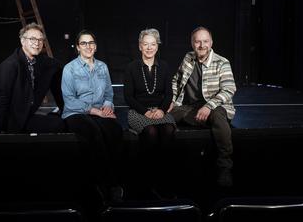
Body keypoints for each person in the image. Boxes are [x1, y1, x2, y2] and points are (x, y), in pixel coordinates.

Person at [61, 30, 124, 202]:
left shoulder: (103, 67)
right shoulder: (70, 68)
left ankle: (115, 180)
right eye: (84, 43)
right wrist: (96, 111)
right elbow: (69, 100)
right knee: (94, 133)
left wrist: (108, 107)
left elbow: (109, 94)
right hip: (76, 113)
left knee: (115, 131)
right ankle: (104, 184)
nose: (88, 46)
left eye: (91, 43)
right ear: (78, 47)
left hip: (99, 111)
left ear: (95, 47)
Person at [169, 26, 236, 187]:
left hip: (216, 107)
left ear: (211, 42)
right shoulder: (188, 58)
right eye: (198, 41)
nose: (202, 45)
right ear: (192, 43)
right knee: (165, 117)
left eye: (205, 41)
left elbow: (229, 89)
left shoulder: (222, 62)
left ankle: (224, 167)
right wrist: (171, 102)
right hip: (190, 108)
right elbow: (176, 82)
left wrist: (208, 106)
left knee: (218, 117)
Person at [0, 22, 65, 135]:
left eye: (40, 40)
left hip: (27, 114)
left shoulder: (40, 61)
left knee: (53, 68)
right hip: (13, 120)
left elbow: (56, 65)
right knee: (59, 125)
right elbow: (2, 99)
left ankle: (64, 111)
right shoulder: (9, 65)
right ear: (23, 41)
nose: (37, 43)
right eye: (32, 39)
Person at [123, 28, 177, 199]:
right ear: (140, 46)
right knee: (151, 132)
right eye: (145, 44)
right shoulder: (131, 67)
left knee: (168, 130)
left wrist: (161, 110)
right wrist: (145, 112)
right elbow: (128, 97)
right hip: (138, 111)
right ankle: (146, 183)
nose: (149, 48)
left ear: (157, 46)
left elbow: (168, 94)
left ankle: (163, 182)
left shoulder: (165, 66)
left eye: (152, 44)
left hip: (160, 110)